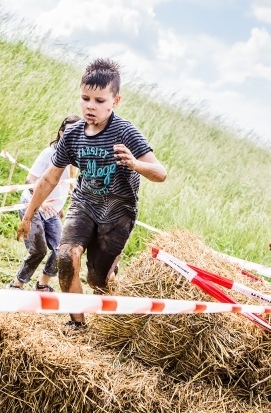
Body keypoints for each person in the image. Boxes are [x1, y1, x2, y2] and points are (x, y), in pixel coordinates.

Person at [16, 58, 167, 330]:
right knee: (66, 257)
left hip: (118, 211)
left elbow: (160, 173)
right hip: (84, 205)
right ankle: (78, 323)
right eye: (85, 98)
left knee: (98, 280)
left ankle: (107, 285)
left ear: (115, 101)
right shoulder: (73, 134)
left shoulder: (125, 131)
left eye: (99, 100)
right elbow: (50, 177)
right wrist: (28, 215)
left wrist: (135, 163)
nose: (90, 106)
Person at [9, 114, 81, 291]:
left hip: (52, 211)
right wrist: (41, 203)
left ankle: (42, 285)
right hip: (33, 206)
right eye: (70, 133)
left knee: (61, 251)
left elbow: (64, 184)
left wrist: (59, 206)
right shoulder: (49, 153)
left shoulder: (75, 159)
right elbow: (29, 181)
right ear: (61, 133)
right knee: (38, 250)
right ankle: (16, 285)